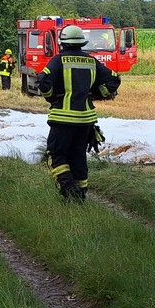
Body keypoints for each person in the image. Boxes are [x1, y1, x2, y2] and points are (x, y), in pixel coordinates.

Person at [38, 25, 121, 202]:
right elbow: (114, 79)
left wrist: (52, 98)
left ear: (63, 43)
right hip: (86, 121)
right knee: (78, 157)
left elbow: (44, 81)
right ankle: (80, 197)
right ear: (81, 43)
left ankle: (70, 189)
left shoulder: (58, 60)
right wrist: (98, 94)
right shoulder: (92, 61)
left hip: (62, 119)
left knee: (56, 155)